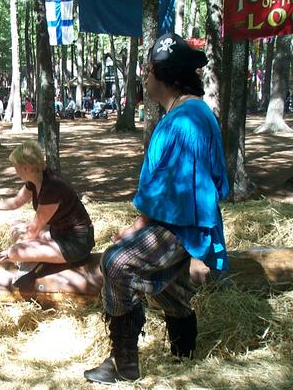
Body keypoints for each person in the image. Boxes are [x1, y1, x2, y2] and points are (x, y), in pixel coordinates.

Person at [83, 33, 229, 384]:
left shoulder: (186, 119)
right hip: (181, 220)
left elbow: (174, 191)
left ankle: (123, 364)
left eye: (148, 70)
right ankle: (184, 353)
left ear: (164, 75)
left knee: (117, 263)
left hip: (182, 224)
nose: (145, 77)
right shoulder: (186, 112)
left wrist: (138, 227)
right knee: (168, 285)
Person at [0, 141, 94, 279]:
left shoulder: (51, 188)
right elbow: (15, 202)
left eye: (16, 167)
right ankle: (34, 258)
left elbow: (34, 229)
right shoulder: (36, 180)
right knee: (16, 225)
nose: (15, 171)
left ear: (27, 168)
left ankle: (32, 263)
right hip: (58, 233)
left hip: (75, 243)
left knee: (15, 252)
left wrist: (13, 250)